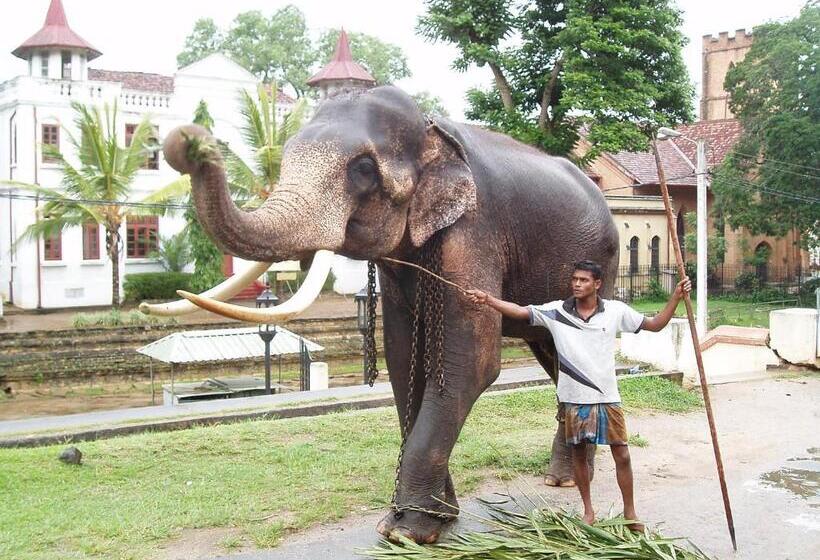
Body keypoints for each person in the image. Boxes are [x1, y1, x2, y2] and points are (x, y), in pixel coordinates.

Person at [466, 260, 691, 529]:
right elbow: (521, 312)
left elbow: (654, 324)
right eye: (574, 279)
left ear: (597, 284)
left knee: (623, 455)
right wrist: (490, 300)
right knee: (579, 457)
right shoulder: (557, 311)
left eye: (583, 280)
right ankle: (588, 511)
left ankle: (630, 512)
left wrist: (675, 297)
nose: (576, 284)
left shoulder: (615, 311)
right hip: (573, 399)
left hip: (607, 398)